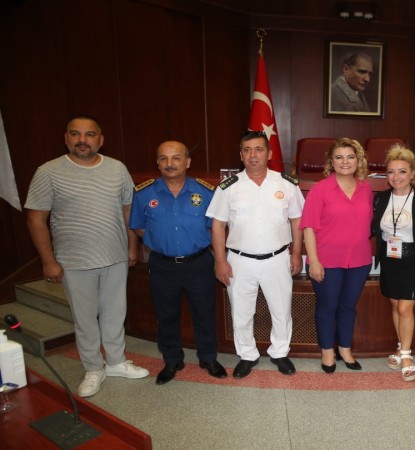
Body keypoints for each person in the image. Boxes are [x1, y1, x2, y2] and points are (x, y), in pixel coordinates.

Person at [25, 114, 148, 398]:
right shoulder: (48, 171)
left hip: (115, 256)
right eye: (75, 134)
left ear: (100, 140)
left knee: (115, 313)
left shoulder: (117, 168)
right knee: (85, 319)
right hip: (74, 260)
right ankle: (93, 368)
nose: (83, 140)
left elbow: (129, 211)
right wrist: (48, 261)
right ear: (66, 138)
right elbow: (35, 219)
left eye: (90, 134)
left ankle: (116, 362)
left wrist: (132, 247)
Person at [206, 131, 304, 378]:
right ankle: (247, 355)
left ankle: (280, 352)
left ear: (269, 154)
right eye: (247, 150)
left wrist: (296, 254)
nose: (253, 155)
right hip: (239, 260)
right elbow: (217, 225)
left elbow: (297, 220)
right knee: (241, 312)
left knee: (281, 310)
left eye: (258, 149)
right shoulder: (229, 187)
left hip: (277, 258)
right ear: (240, 155)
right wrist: (220, 260)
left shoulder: (286, 184)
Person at [129, 141, 226, 384]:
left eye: (176, 158)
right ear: (157, 163)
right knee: (166, 315)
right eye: (163, 158)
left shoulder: (206, 192)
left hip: (198, 263)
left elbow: (215, 228)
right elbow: (138, 226)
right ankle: (172, 359)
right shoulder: (144, 193)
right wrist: (161, 241)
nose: (169, 163)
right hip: (163, 265)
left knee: (205, 313)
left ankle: (208, 357)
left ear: (187, 162)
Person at [300, 138, 373, 373]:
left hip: (359, 260)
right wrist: (313, 261)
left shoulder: (366, 188)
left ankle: (345, 349)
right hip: (326, 260)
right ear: (331, 162)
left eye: (350, 157)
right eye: (339, 157)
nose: (345, 162)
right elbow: (308, 227)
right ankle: (327, 352)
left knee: (348, 307)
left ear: (358, 160)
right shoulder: (320, 189)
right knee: (327, 307)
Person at [371, 145, 415, 382]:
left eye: (402, 171)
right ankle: (401, 346)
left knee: (404, 308)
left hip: (414, 260)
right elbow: (374, 229)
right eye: (391, 172)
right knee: (394, 305)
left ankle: (407, 355)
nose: (396, 177)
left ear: (412, 173)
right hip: (390, 260)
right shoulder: (381, 198)